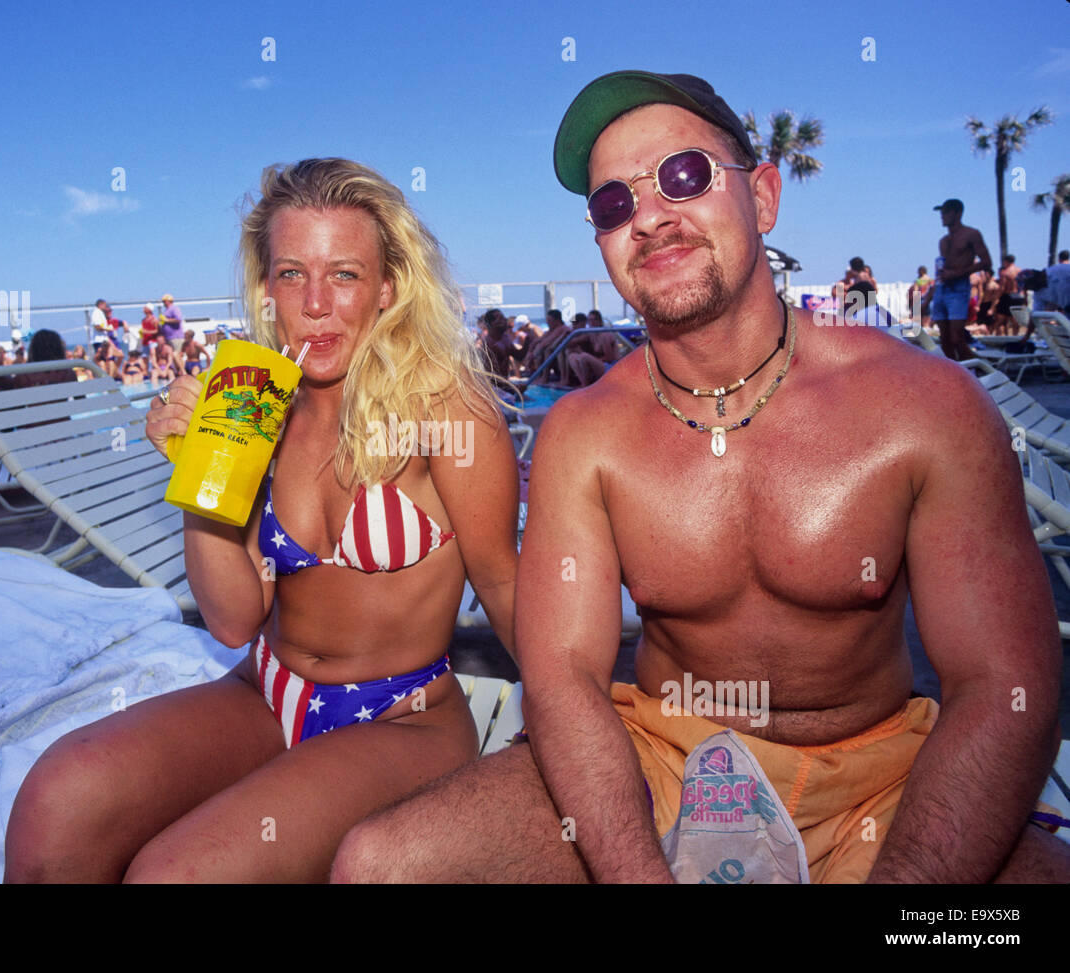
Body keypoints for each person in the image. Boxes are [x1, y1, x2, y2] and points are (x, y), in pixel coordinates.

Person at [332, 69, 1069, 884]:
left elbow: (1005, 687)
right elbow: (564, 678)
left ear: (763, 197)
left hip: (879, 781)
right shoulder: (584, 434)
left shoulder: (924, 407)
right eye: (613, 204)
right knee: (380, 865)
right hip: (664, 760)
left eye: (684, 175)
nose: (647, 214)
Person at [3, 157, 518, 883]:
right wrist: (200, 473)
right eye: (289, 274)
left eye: (343, 274)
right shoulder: (252, 402)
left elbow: (504, 583)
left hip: (403, 721)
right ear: (265, 289)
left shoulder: (448, 412)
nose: (314, 303)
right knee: (54, 798)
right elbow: (236, 620)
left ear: (388, 288)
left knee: (175, 874)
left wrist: (576, 729)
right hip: (263, 691)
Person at [930, 198, 993, 360]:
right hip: (942, 288)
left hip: (958, 288)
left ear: (957, 214)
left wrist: (959, 273)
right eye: (941, 213)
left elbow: (986, 262)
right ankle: (954, 374)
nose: (942, 216)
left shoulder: (971, 234)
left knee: (957, 338)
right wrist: (928, 297)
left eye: (946, 212)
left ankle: (981, 372)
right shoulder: (943, 241)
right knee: (944, 340)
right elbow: (942, 270)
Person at [992, 255, 1025, 337]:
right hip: (1019, 296)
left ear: (1006, 261)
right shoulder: (1020, 271)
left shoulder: (1006, 272)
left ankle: (996, 336)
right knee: (1015, 319)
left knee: (1000, 319)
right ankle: (1015, 336)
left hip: (1008, 296)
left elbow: (1002, 288)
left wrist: (997, 298)